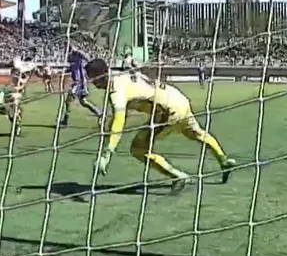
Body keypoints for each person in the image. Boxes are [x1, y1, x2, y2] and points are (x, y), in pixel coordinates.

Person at [84, 58, 237, 192]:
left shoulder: (116, 91)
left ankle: (178, 176)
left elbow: (119, 121)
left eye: (93, 78)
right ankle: (223, 160)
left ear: (102, 75)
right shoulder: (122, 76)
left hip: (167, 111)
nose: (93, 83)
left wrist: (107, 153)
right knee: (197, 133)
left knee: (138, 149)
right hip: (179, 99)